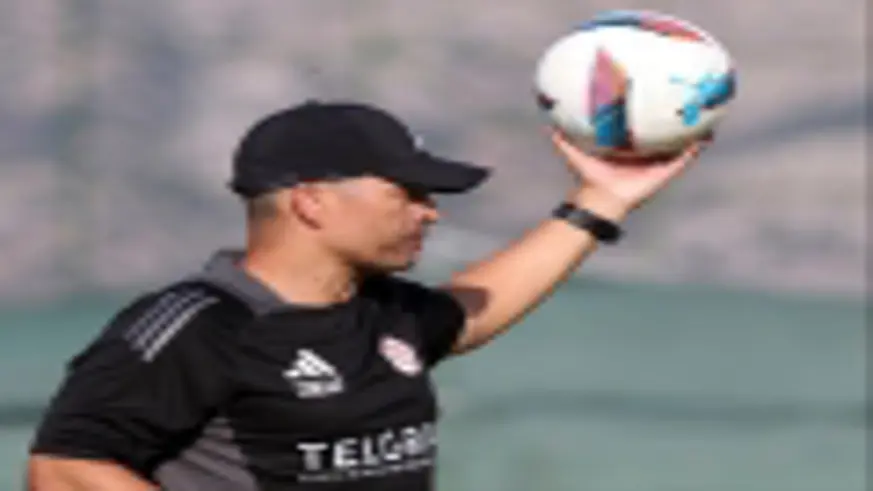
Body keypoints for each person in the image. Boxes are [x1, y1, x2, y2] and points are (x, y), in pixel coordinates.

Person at [26, 100, 708, 490]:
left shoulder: (382, 311)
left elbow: (475, 309)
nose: (428, 211)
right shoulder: (198, 324)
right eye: (405, 192)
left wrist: (599, 201)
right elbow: (64, 468)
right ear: (312, 201)